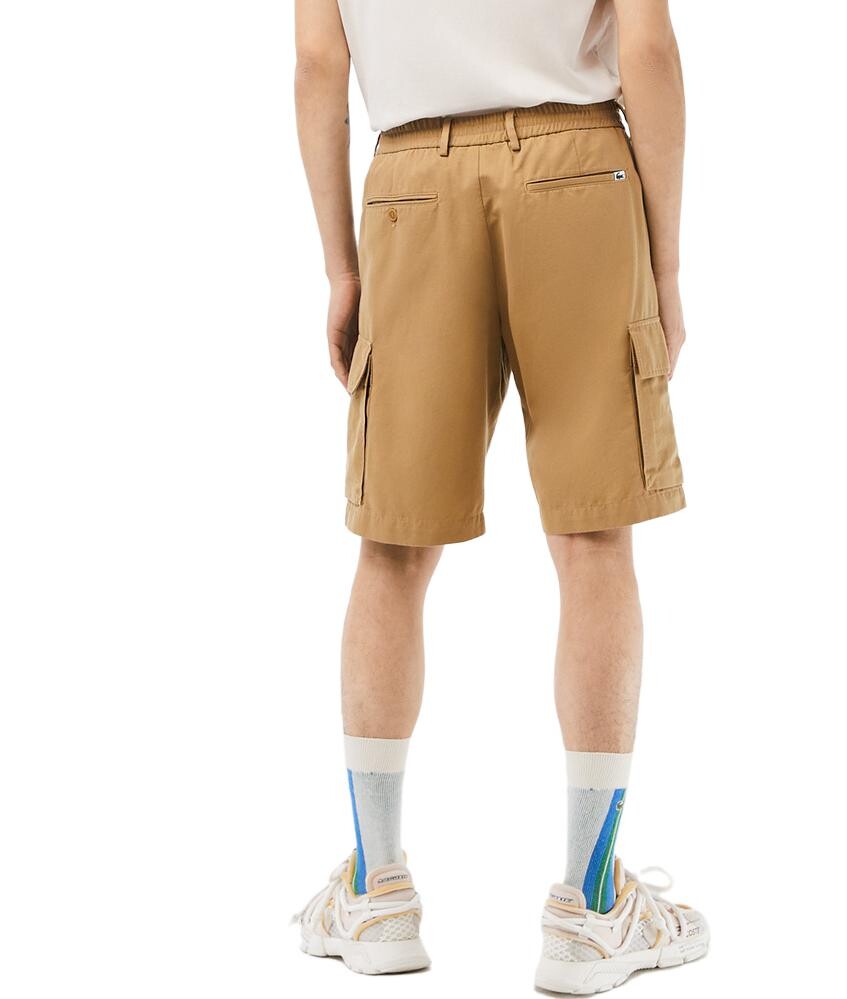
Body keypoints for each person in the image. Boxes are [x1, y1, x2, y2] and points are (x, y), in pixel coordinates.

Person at [291, 1, 708, 991]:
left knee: (393, 547)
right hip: (579, 174)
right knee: (593, 537)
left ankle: (376, 889)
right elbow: (647, 46)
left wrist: (341, 268)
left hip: (411, 185)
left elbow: (316, 60)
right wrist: (665, 260)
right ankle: (592, 905)